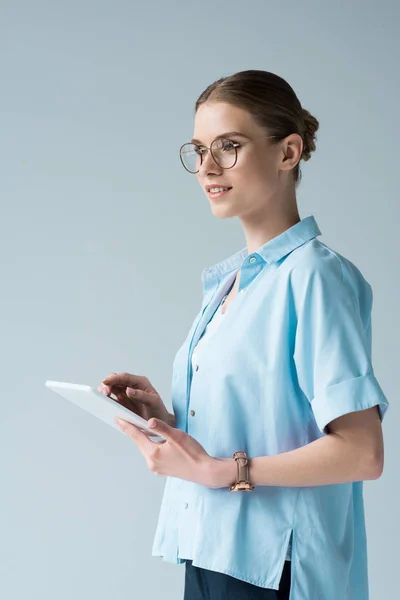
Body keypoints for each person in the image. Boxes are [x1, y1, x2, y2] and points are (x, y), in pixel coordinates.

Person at [98, 70, 389, 600]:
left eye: (229, 146)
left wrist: (220, 471)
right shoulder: (228, 285)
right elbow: (259, 421)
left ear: (288, 152)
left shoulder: (314, 277)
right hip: (210, 551)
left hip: (275, 568)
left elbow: (362, 451)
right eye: (198, 150)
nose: (207, 167)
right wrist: (166, 420)